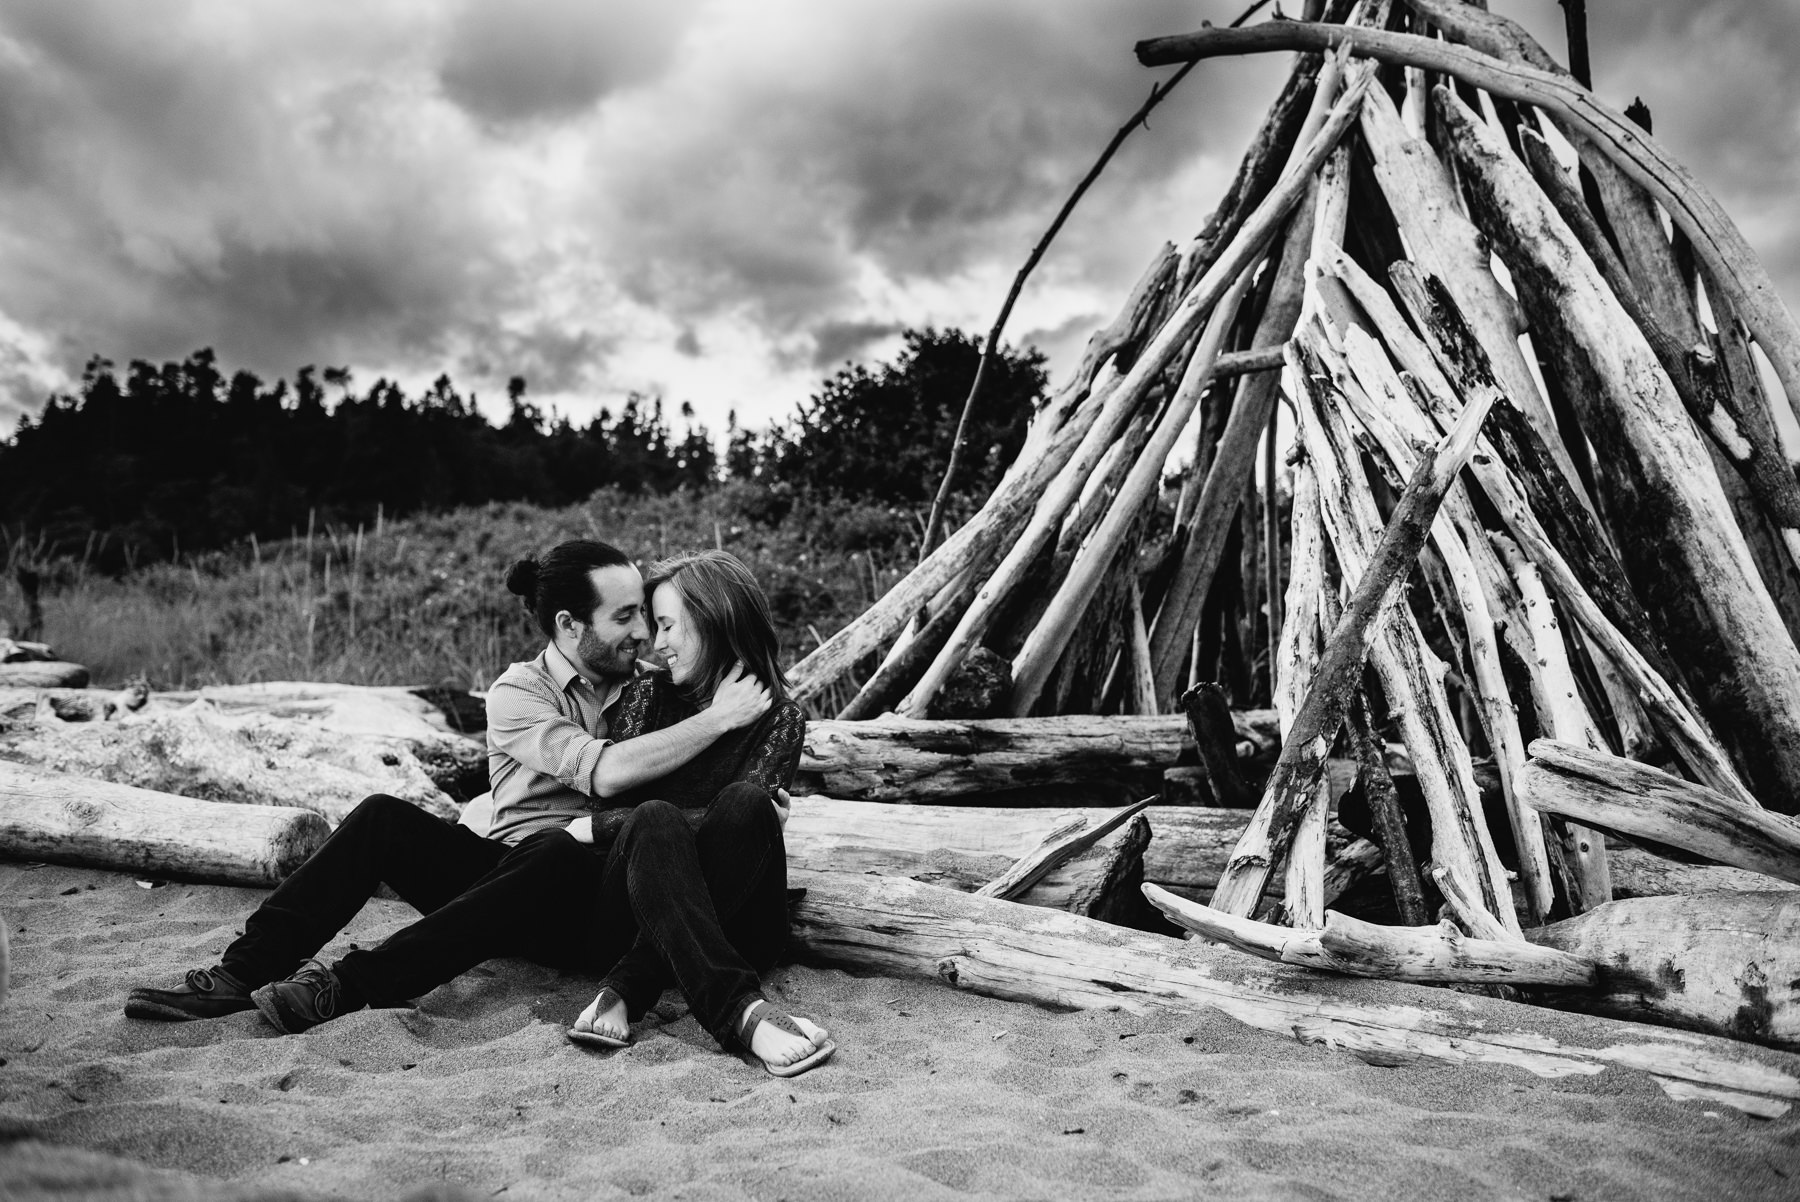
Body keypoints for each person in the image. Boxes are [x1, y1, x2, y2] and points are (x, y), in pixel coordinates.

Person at [124, 539, 830, 1075]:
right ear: (568, 625)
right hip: (529, 867)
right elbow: (612, 775)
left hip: (599, 882)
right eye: (630, 618)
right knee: (381, 817)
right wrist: (712, 724)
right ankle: (243, 971)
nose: (646, 635)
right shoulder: (521, 693)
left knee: (574, 846)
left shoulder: (649, 685)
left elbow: (683, 810)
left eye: (655, 619)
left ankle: (350, 985)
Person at [565, 549, 829, 1075]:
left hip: (742, 925)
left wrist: (597, 826)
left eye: (667, 626)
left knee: (744, 803)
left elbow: (735, 827)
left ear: (713, 622)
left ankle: (627, 985)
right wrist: (633, 819)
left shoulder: (781, 718)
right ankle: (742, 1012)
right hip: (642, 908)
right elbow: (621, 814)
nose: (655, 644)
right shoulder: (644, 696)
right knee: (657, 817)